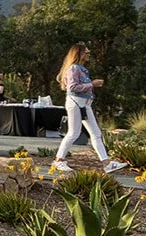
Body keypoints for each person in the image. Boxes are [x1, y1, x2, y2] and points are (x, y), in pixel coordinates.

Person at [52, 43, 125, 173]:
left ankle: (107, 163)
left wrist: (91, 85)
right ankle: (59, 160)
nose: (88, 54)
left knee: (96, 133)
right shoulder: (74, 69)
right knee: (73, 133)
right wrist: (92, 84)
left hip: (84, 105)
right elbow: (73, 87)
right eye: (86, 52)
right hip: (76, 103)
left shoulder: (80, 69)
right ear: (79, 54)